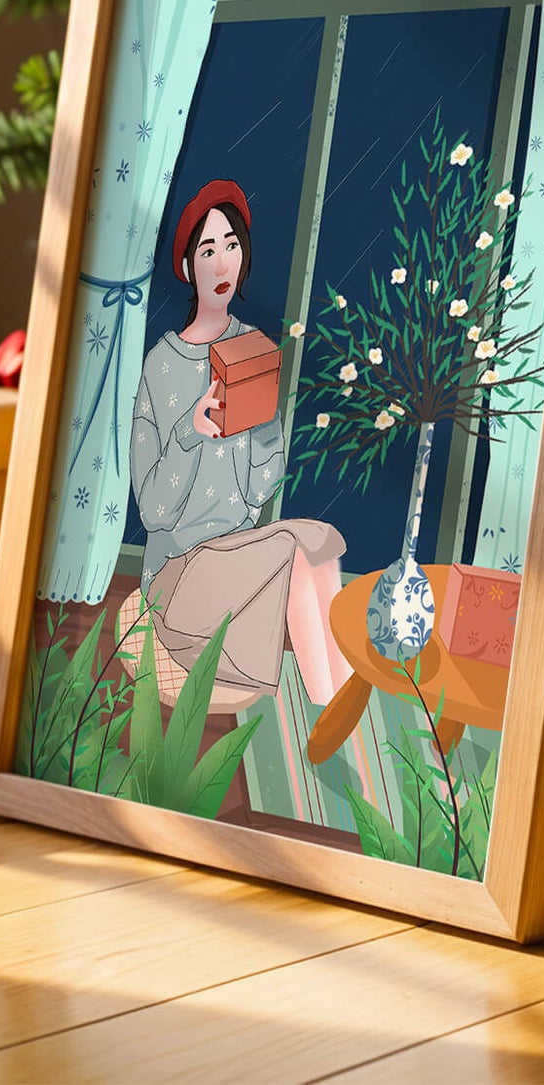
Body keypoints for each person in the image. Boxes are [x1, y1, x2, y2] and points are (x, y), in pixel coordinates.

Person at [129, 179, 352, 704]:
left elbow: (260, 491)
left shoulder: (253, 349)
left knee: (317, 540)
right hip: (177, 579)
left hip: (236, 558)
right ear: (187, 267)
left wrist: (259, 426)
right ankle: (330, 710)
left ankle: (336, 705)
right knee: (291, 551)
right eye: (208, 249)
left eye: (232, 245)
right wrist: (190, 434)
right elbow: (154, 512)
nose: (223, 262)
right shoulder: (162, 366)